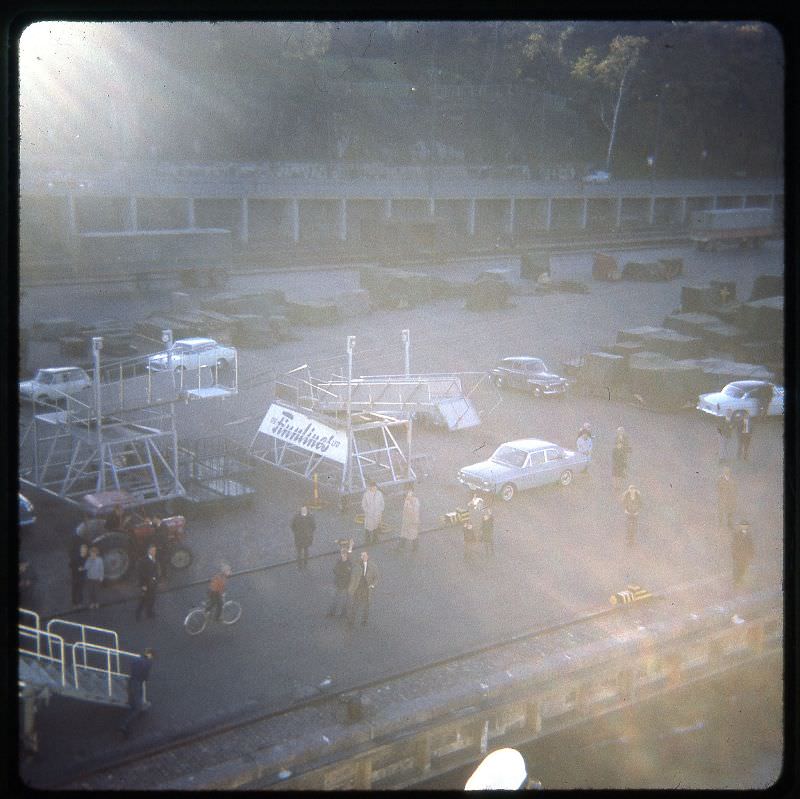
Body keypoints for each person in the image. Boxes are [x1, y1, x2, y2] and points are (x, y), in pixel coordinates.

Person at [119, 648, 155, 739]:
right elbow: (145, 676)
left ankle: (133, 705)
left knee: (132, 701)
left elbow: (131, 665)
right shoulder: (148, 663)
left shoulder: (137, 659)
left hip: (131, 681)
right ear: (151, 655)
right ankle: (124, 724)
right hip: (137, 683)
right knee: (137, 707)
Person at [347, 551, 378, 628]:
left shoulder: (373, 566)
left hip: (367, 588)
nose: (363, 557)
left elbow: (376, 577)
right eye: (362, 556)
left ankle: (364, 620)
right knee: (355, 604)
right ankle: (351, 620)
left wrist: (372, 585)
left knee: (366, 605)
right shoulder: (357, 564)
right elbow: (350, 559)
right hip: (358, 587)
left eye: (365, 555)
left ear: (368, 556)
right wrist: (350, 549)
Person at [135, 545, 160, 621]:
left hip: (153, 584)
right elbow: (140, 574)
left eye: (155, 550)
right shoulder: (143, 561)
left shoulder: (155, 559)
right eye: (152, 550)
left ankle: (149, 613)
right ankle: (138, 614)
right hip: (146, 584)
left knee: (152, 599)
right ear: (148, 551)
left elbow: (156, 570)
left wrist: (157, 579)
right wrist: (143, 585)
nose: (154, 552)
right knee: (143, 600)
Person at [327, 549, 353, 618]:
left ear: (347, 555)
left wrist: (340, 573)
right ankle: (332, 612)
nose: (343, 556)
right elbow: (335, 570)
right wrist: (341, 573)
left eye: (345, 554)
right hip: (339, 583)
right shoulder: (339, 562)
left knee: (344, 599)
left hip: (345, 584)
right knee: (336, 599)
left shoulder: (349, 563)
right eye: (342, 554)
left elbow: (348, 573)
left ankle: (343, 613)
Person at [290, 505, 316, 572]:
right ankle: (300, 564)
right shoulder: (297, 517)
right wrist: (297, 532)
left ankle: (305, 563)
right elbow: (292, 526)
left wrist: (309, 533)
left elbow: (313, 526)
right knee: (299, 552)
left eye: (305, 509)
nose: (304, 510)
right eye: (303, 509)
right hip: (299, 537)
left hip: (306, 537)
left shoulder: (309, 517)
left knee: (306, 551)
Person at [731, 520, 754, 587]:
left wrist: (751, 554)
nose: (744, 527)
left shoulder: (749, 535)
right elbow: (734, 544)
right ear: (740, 526)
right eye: (742, 525)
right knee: (737, 567)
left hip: (745, 555)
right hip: (739, 555)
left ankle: (740, 579)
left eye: (745, 525)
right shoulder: (737, 535)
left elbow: (751, 545)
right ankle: (737, 581)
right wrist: (734, 553)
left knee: (744, 567)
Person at [361, 481, 385, 546]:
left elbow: (382, 503)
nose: (374, 488)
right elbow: (363, 504)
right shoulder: (366, 494)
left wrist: (380, 510)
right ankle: (367, 540)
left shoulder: (379, 494)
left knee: (376, 527)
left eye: (375, 487)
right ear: (370, 487)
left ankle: (375, 539)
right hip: (369, 515)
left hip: (377, 514)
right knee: (368, 528)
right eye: (373, 487)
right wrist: (367, 511)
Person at [398, 486, 420, 552]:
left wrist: (409, 506)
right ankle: (401, 546)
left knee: (413, 535)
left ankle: (415, 547)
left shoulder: (415, 502)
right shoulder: (407, 501)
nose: (408, 495)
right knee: (404, 534)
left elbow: (414, 512)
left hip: (412, 521)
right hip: (406, 520)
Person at [69, 541, 89, 607]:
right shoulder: (75, 558)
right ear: (80, 550)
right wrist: (77, 568)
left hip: (82, 577)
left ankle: (80, 602)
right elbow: (70, 565)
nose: (84, 551)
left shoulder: (87, 558)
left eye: (85, 550)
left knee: (80, 590)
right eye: (83, 549)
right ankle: (74, 602)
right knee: (75, 590)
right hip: (75, 576)